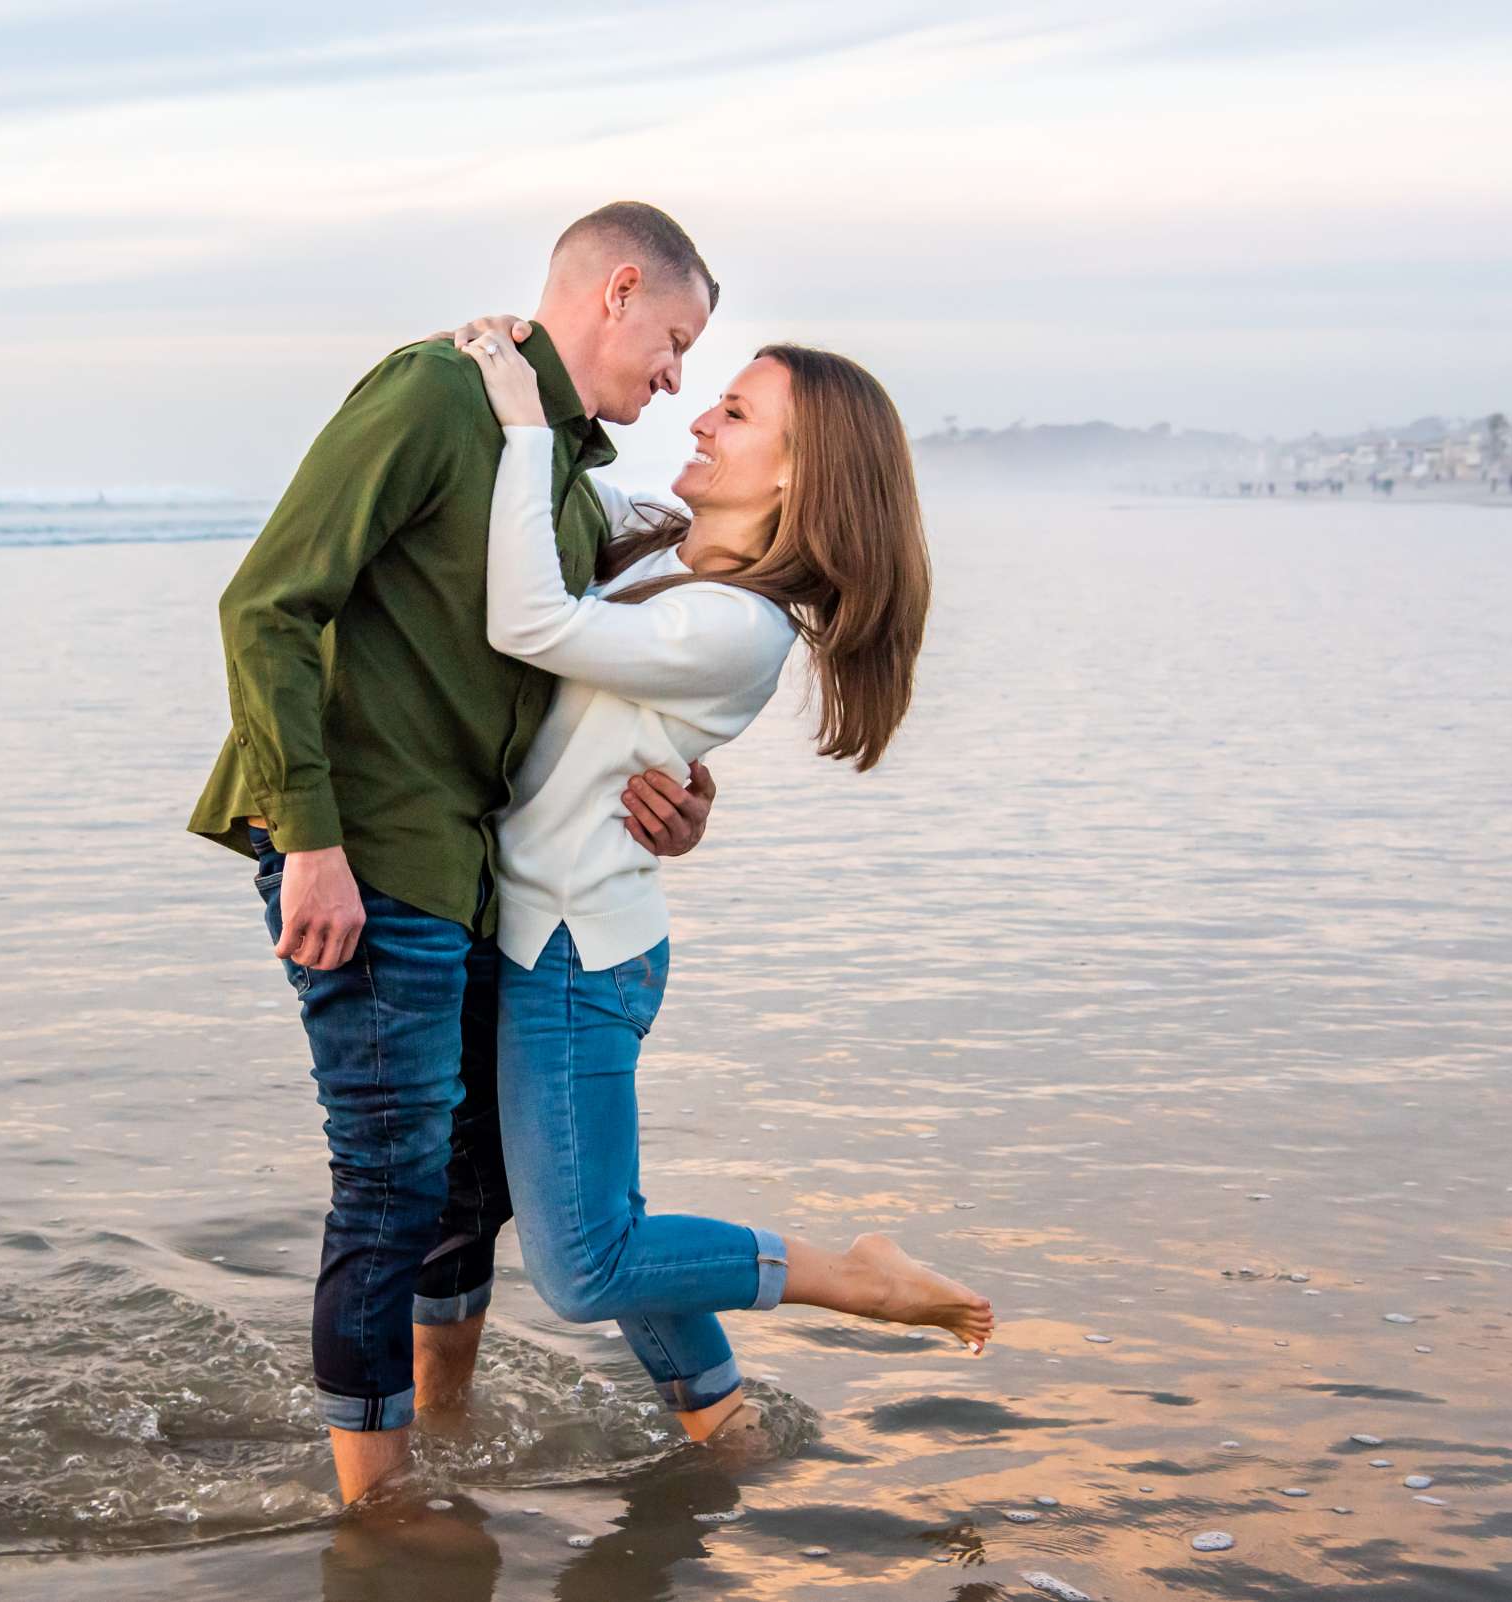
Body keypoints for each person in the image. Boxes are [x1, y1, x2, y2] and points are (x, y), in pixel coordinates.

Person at [190, 202, 726, 1504]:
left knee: (468, 1180)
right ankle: (375, 1510)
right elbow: (267, 601)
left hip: (471, 859)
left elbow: (580, 668)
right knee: (389, 1177)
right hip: (363, 841)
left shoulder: (558, 467)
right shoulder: (438, 393)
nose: (678, 375)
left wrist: (683, 797)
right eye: (676, 337)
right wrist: (309, 839)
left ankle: (441, 1442)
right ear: (617, 287)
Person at [443, 315, 994, 1449]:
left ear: (801, 473)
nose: (698, 414)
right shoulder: (672, 564)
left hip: (572, 954)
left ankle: (852, 1276)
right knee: (619, 1226)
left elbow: (526, 619)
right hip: (568, 933)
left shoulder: (735, 624)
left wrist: (522, 428)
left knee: (587, 1267)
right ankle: (719, 1418)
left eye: (735, 413)